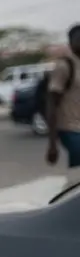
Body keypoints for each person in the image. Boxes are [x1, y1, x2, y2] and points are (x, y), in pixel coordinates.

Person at [46, 24, 80, 167]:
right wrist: (52, 144)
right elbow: (52, 104)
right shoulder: (64, 66)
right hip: (70, 128)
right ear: (70, 43)